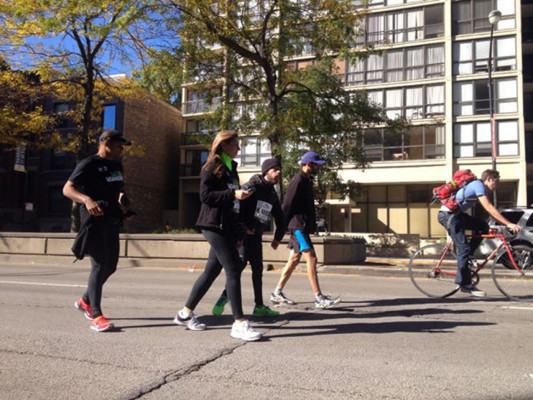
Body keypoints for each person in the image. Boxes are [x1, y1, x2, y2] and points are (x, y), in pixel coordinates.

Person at [173, 130, 262, 341]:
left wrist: (239, 223)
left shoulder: (231, 168)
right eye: (236, 145)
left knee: (211, 272)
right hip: (213, 224)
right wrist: (233, 193)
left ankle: (185, 313)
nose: (239, 149)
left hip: (227, 225)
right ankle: (239, 323)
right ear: (223, 145)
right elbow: (205, 196)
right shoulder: (212, 166)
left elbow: (233, 202)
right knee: (233, 269)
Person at [63, 129, 133, 332]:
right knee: (99, 266)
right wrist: (86, 199)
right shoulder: (89, 164)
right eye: (119, 145)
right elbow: (67, 189)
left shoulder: (116, 165)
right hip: (94, 221)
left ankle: (85, 300)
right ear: (107, 143)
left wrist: (125, 204)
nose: (122, 149)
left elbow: (119, 189)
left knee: (111, 266)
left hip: (112, 218)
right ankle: (96, 315)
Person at [212, 157, 285, 318]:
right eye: (275, 169)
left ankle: (259, 306)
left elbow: (279, 216)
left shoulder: (272, 193)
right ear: (266, 171)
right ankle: (224, 297)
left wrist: (277, 237)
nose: (278, 172)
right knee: (237, 269)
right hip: (243, 236)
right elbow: (237, 205)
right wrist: (242, 230)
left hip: (256, 235)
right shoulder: (253, 185)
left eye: (279, 170)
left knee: (258, 270)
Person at [270, 151, 340, 309]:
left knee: (294, 260)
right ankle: (318, 298)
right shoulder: (298, 180)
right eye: (317, 165)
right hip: (297, 227)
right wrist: (280, 231)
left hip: (302, 227)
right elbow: (286, 206)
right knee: (312, 259)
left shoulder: (307, 180)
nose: (319, 168)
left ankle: (277, 293)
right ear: (308, 164)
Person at [438, 169, 522, 297]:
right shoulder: (478, 186)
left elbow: (483, 212)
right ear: (488, 179)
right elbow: (488, 207)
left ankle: (469, 256)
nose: (497, 185)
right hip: (448, 216)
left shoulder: (478, 188)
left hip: (457, 215)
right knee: (463, 248)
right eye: (496, 182)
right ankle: (465, 283)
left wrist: (495, 227)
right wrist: (508, 223)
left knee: (483, 227)